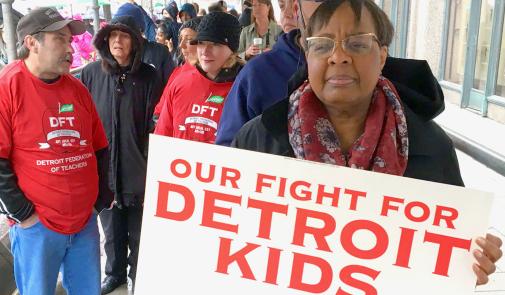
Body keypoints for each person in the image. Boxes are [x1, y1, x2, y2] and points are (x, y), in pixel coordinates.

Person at [231, 0, 503, 285]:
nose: (338, 57)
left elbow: (448, 251)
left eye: (358, 45)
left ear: (382, 57)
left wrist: (470, 260)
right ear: (307, 55)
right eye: (322, 45)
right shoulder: (257, 140)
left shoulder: (431, 147)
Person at [0, 7, 112, 295]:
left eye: (69, 39)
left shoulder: (77, 89)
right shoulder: (8, 87)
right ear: (32, 43)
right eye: (60, 39)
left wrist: (98, 200)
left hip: (84, 222)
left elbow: (99, 146)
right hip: (38, 226)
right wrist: (24, 214)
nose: (70, 47)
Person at [81, 15, 163, 294]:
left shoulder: (149, 75)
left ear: (135, 41)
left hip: (138, 166)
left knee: (139, 229)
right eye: (113, 35)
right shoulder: (91, 73)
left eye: (124, 36)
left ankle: (137, 274)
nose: (118, 41)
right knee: (111, 229)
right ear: (105, 40)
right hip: (104, 168)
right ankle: (114, 273)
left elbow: (157, 123)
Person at [154, 12, 243, 144]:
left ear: (232, 49)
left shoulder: (245, 89)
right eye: (201, 43)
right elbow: (162, 135)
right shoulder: (181, 82)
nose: (205, 51)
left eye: (215, 44)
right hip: (180, 163)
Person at [153, 17, 202, 121]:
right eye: (180, 39)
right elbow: (161, 108)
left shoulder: (219, 78)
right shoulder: (178, 73)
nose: (181, 45)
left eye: (189, 40)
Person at [115, 2, 176, 86]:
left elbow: (171, 87)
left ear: (140, 30)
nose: (118, 39)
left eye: (125, 31)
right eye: (115, 32)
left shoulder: (160, 53)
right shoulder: (112, 56)